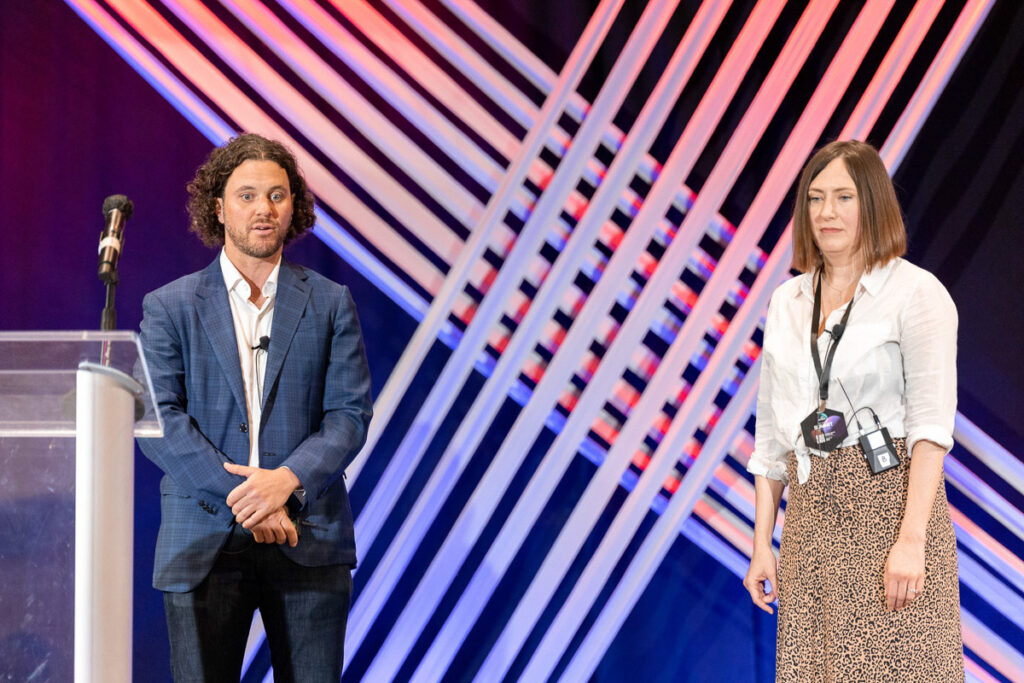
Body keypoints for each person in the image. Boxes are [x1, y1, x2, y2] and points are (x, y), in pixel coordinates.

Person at [138, 133, 373, 681]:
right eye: (247, 196)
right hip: (202, 539)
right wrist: (251, 499)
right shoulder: (169, 306)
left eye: (277, 195)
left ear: (294, 207)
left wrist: (286, 482)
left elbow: (349, 416)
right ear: (218, 208)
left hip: (308, 535)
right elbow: (156, 419)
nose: (263, 209)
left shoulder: (329, 302)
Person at [742, 140, 962, 680]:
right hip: (810, 519)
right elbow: (772, 439)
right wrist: (761, 545)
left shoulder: (915, 293)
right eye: (815, 198)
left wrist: (912, 540)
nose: (826, 213)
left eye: (843, 197)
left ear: (872, 204)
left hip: (887, 509)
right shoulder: (786, 302)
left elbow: (930, 428)